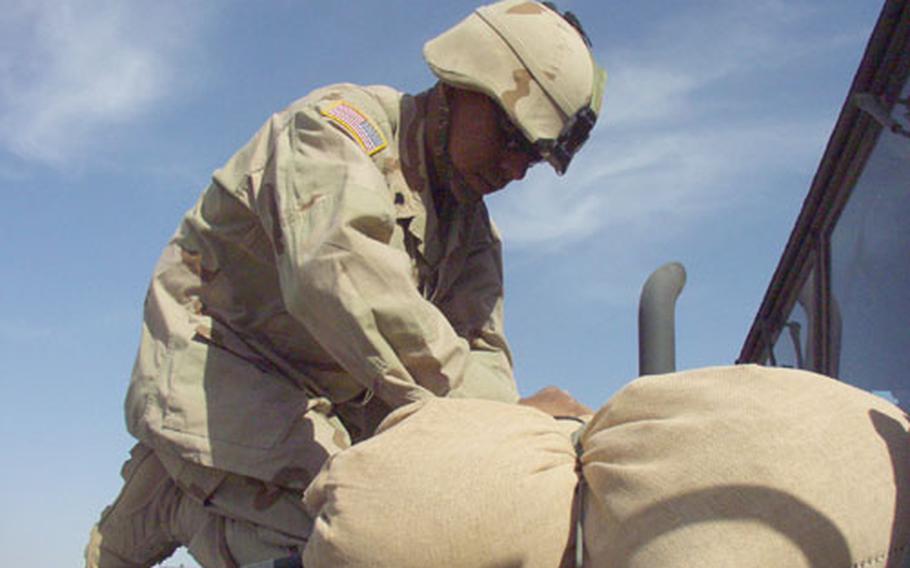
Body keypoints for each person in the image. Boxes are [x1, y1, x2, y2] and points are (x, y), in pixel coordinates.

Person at [85, 1, 606, 566]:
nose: (514, 169)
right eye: (511, 138)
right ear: (466, 80)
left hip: (326, 407)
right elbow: (340, 280)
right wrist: (505, 417)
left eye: (533, 156)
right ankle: (180, 502)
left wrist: (518, 437)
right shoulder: (336, 131)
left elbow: (480, 351)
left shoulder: (472, 230)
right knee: (344, 540)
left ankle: (183, 483)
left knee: (430, 519)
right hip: (220, 372)